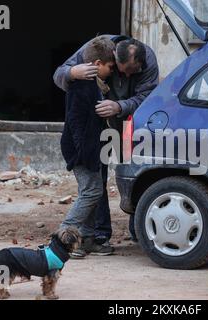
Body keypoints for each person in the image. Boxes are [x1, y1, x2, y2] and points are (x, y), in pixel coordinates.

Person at [54, 35, 159, 245]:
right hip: (94, 135)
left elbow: (148, 97)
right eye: (118, 69)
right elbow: (59, 75)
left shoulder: (148, 61)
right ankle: (96, 234)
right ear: (105, 62)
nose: (125, 74)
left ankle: (137, 230)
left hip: (130, 125)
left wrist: (120, 106)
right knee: (95, 184)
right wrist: (73, 72)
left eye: (132, 71)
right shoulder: (96, 50)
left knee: (136, 175)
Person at [60, 36, 116, 258]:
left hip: (92, 149)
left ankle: (87, 240)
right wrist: (82, 154)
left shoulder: (95, 85)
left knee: (94, 191)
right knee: (91, 191)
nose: (113, 70)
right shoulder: (82, 86)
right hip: (81, 151)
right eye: (110, 66)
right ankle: (63, 237)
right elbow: (75, 121)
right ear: (97, 65)